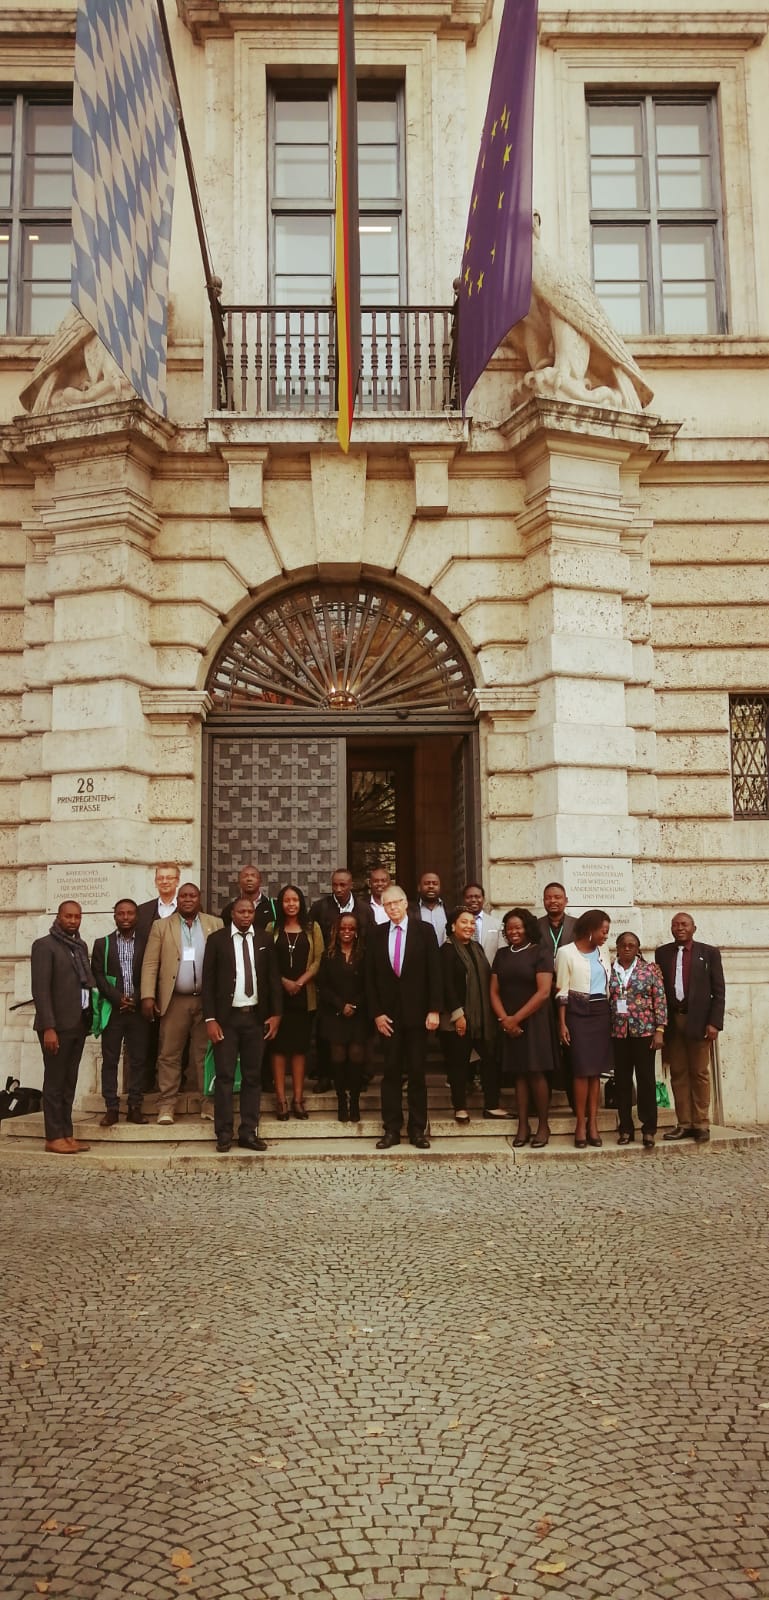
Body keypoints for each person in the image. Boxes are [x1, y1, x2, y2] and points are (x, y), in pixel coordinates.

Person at [365, 883, 442, 1150]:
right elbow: (370, 979)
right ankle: (391, 1129)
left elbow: (435, 972)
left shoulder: (425, 931)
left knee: (418, 1073)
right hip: (388, 1018)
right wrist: (376, 1014)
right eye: (387, 904)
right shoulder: (375, 934)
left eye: (396, 902)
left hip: (418, 1016)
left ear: (406, 903)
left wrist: (434, 1009)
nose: (392, 908)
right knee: (390, 1073)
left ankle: (418, 1129)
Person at [202, 897, 282, 1152]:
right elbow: (208, 983)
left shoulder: (264, 940)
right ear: (232, 914)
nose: (246, 915)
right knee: (225, 1076)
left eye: (250, 911)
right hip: (227, 1020)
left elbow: (273, 979)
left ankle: (249, 1131)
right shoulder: (217, 940)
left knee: (252, 1077)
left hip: (255, 1019)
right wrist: (210, 1019)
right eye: (241, 911)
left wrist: (276, 1014)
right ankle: (223, 1133)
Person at [140, 883, 222, 1125]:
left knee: (205, 1054)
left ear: (199, 898)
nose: (188, 899)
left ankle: (208, 1102)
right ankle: (166, 1105)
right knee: (169, 1054)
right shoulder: (161, 926)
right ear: (178, 899)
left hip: (207, 1001)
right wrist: (147, 995)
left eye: (192, 895)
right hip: (174, 1000)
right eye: (183, 896)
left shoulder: (214, 924)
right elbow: (150, 964)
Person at [655, 911, 725, 1143]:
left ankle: (701, 1123)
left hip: (699, 1022)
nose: (679, 928)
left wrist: (714, 1022)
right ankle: (684, 1123)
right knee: (678, 1073)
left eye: (684, 924)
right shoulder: (662, 953)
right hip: (673, 1021)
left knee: (699, 1073)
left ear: (694, 928)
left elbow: (718, 991)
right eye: (675, 925)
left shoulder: (709, 953)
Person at [491, 908, 558, 1147]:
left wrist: (515, 1019)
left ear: (527, 928)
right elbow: (494, 991)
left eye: (518, 927)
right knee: (519, 1074)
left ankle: (543, 1124)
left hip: (534, 1020)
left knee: (536, 1072)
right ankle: (522, 1124)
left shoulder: (541, 952)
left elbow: (543, 993)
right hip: (509, 1021)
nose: (513, 931)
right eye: (509, 928)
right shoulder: (502, 954)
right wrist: (505, 1020)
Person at [30, 900, 93, 1154]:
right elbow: (41, 990)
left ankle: (67, 1134)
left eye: (77, 917)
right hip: (56, 1027)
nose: (73, 921)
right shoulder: (44, 946)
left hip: (78, 1024)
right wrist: (49, 1027)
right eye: (68, 916)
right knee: (55, 1083)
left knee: (69, 1082)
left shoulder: (79, 946)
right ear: (59, 917)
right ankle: (53, 1136)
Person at [439, 906, 503, 1125]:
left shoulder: (477, 947)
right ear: (453, 926)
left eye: (472, 923)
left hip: (482, 1018)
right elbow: (446, 985)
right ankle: (460, 1108)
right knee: (458, 1063)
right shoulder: (446, 951)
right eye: (464, 922)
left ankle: (492, 1105)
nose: (469, 926)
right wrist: (459, 1015)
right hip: (458, 1018)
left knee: (491, 1059)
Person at [555, 909, 612, 1149]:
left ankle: (593, 1123)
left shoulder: (604, 951)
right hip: (577, 1014)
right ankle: (580, 1123)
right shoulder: (565, 952)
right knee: (580, 1070)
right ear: (590, 930)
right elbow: (561, 990)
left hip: (601, 1013)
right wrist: (562, 1023)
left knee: (595, 1072)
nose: (606, 936)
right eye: (603, 931)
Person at [91, 898, 151, 1127]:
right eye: (121, 914)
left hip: (138, 1011)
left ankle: (135, 1106)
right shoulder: (102, 944)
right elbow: (97, 975)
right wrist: (117, 998)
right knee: (110, 1060)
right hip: (113, 1011)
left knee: (138, 1060)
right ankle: (111, 1107)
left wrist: (136, 998)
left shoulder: (147, 942)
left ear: (137, 916)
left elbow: (152, 971)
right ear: (114, 916)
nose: (125, 918)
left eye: (130, 913)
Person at [267, 885, 324, 1120]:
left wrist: (299, 982)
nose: (291, 904)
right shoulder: (272, 928)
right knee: (278, 1049)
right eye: (286, 900)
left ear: (301, 902)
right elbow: (266, 962)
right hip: (278, 998)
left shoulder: (313, 927)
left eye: (295, 900)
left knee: (300, 1050)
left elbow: (319, 959)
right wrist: (284, 982)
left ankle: (298, 1099)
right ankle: (281, 1100)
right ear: (281, 904)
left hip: (304, 996)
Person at [609, 931, 667, 1149]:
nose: (627, 948)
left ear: (638, 948)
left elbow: (659, 999)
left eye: (631, 945)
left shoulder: (649, 969)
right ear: (617, 946)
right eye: (623, 944)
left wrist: (660, 1029)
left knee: (646, 1080)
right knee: (622, 1082)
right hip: (619, 1033)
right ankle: (625, 1128)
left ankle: (649, 1128)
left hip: (644, 1032)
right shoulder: (610, 969)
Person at [317, 912, 369, 1122]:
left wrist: (354, 1004)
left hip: (359, 1014)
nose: (347, 932)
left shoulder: (364, 954)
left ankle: (354, 1100)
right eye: (343, 928)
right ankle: (341, 1100)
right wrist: (341, 1005)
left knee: (356, 1055)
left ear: (356, 932)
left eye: (351, 928)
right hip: (335, 1013)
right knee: (338, 1056)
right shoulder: (328, 955)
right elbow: (323, 985)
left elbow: (369, 984)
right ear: (337, 931)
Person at [537, 881, 577, 1111]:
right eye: (548, 897)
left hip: (570, 994)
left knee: (572, 1047)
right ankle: (544, 1100)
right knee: (546, 1046)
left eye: (557, 897)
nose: (553, 901)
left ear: (565, 900)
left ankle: (574, 1102)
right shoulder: (535, 925)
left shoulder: (578, 925)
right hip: (542, 994)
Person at [310, 869, 371, 947]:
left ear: (351, 885)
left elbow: (371, 938)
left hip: (358, 957)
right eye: (335, 885)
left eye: (342, 885)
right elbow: (311, 937)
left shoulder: (364, 909)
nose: (338, 889)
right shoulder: (319, 908)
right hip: (328, 957)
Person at [219, 864, 275, 931]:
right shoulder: (230, 909)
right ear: (239, 883)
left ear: (260, 882)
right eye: (245, 876)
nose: (249, 879)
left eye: (253, 876)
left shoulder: (273, 906)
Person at [135, 862, 181, 940]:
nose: (164, 881)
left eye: (169, 878)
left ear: (177, 881)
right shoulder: (142, 910)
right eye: (160, 878)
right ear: (155, 882)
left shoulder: (188, 909)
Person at [462, 882, 502, 963]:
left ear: (483, 899)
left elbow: (502, 952)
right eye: (469, 897)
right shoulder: (456, 925)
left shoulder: (497, 924)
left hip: (490, 972)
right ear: (464, 899)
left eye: (477, 897)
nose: (473, 900)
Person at [412, 871, 447, 946]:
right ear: (419, 888)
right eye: (427, 883)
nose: (431, 886)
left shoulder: (449, 909)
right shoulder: (410, 910)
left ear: (440, 887)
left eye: (435, 883)